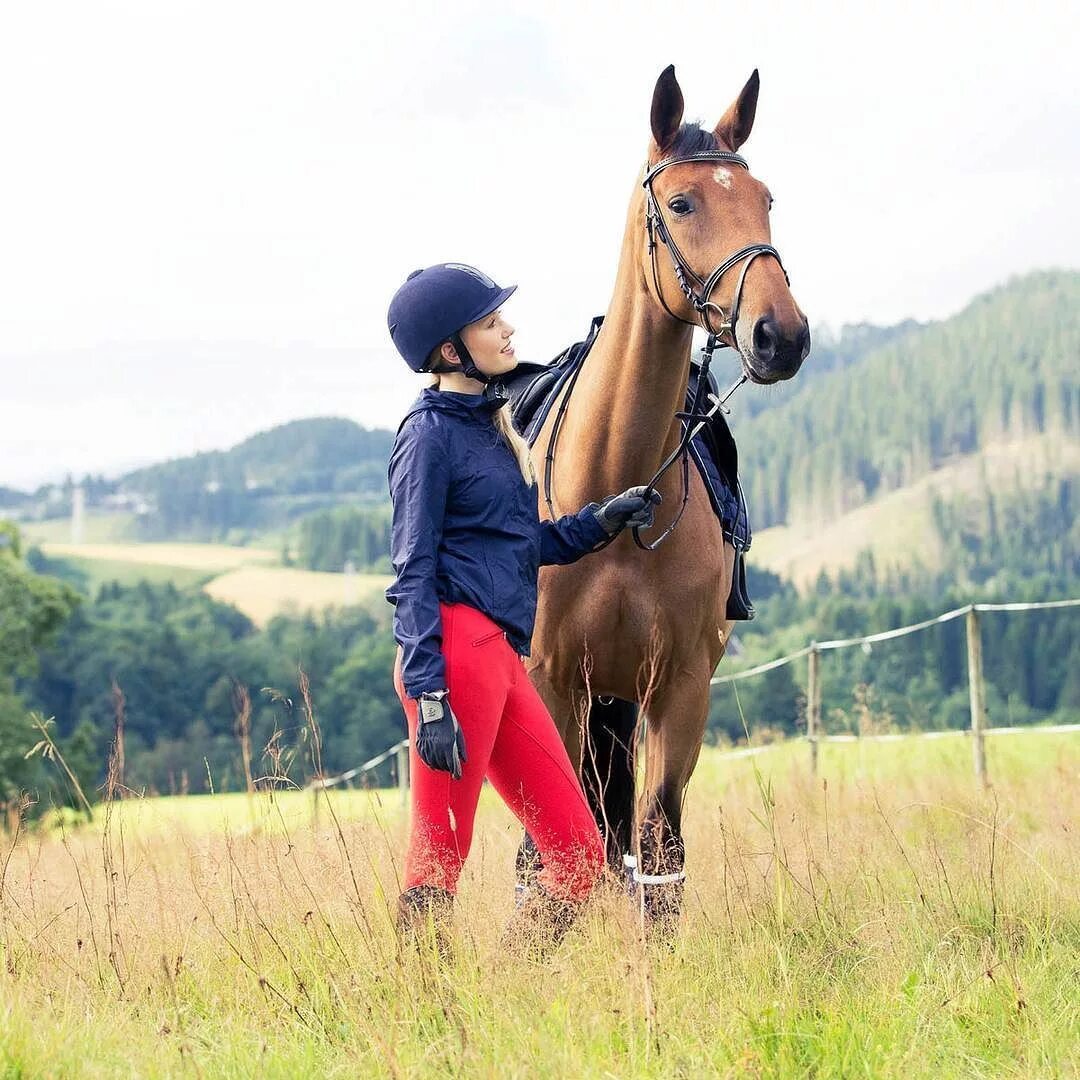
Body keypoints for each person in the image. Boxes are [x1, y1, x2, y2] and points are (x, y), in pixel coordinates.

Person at [385, 262, 659, 956]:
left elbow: (517, 544)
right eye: (489, 321)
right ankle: (418, 1018)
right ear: (452, 350)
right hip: (451, 658)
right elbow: (411, 569)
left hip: (502, 657)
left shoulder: (486, 428)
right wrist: (430, 694)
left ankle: (511, 988)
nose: (507, 328)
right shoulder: (427, 436)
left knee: (577, 856)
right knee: (439, 857)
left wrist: (600, 521)